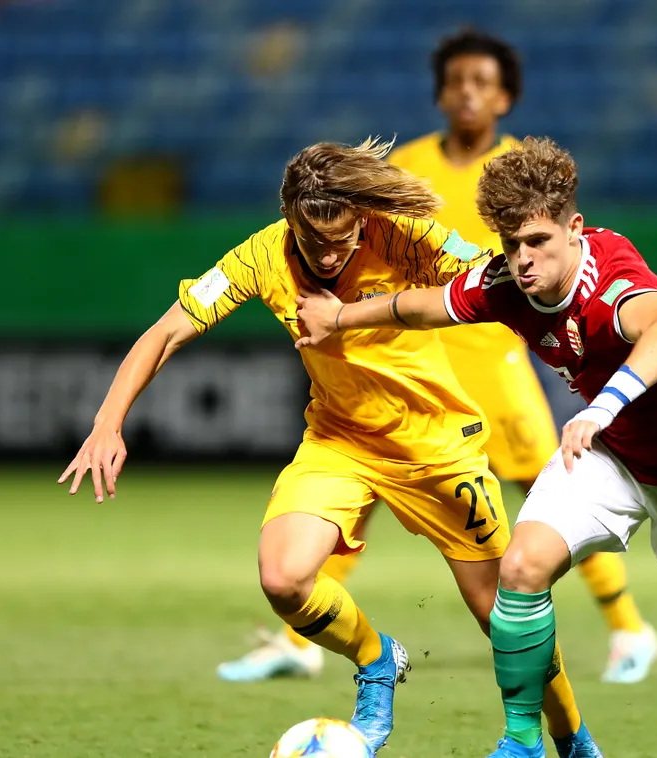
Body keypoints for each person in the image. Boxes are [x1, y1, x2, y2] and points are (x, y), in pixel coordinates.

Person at [58, 138, 602, 757]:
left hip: (436, 445)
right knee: (283, 577)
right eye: (314, 240)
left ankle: (573, 741)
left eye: (343, 239)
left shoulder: (402, 237)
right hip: (339, 441)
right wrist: (108, 421)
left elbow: (493, 280)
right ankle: (376, 661)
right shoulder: (262, 256)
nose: (328, 253)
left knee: (503, 619)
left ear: (361, 218)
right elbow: (166, 332)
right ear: (291, 217)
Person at [294, 136, 657, 757]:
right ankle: (523, 740)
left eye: (538, 242)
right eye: (512, 245)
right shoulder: (505, 284)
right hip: (613, 454)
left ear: (574, 229)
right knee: (520, 567)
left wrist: (602, 406)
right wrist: (341, 318)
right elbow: (423, 308)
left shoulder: (611, 284)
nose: (523, 260)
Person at [218, 27, 657, 687]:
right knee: (355, 494)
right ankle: (300, 639)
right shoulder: (409, 167)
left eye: (481, 82)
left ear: (505, 96)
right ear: (439, 93)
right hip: (416, 356)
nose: (466, 94)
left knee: (552, 486)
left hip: (490, 357)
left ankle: (627, 627)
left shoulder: (517, 174)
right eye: (456, 82)